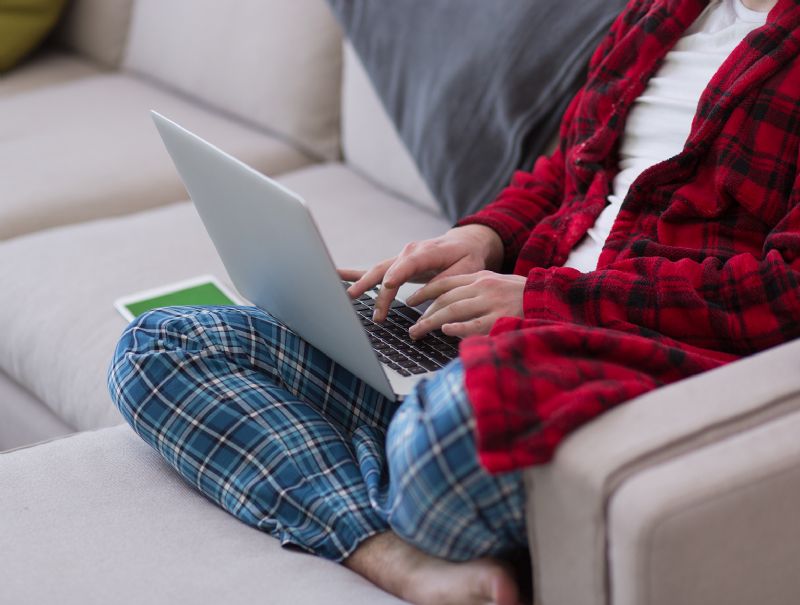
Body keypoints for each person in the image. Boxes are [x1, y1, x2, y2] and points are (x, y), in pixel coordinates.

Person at [108, 0, 799, 603]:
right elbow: (566, 167)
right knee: (159, 348)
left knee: (434, 453)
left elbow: (784, 290)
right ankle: (388, 550)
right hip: (493, 321)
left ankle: (363, 452)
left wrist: (544, 300)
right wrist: (483, 236)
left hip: (615, 348)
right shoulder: (667, 10)